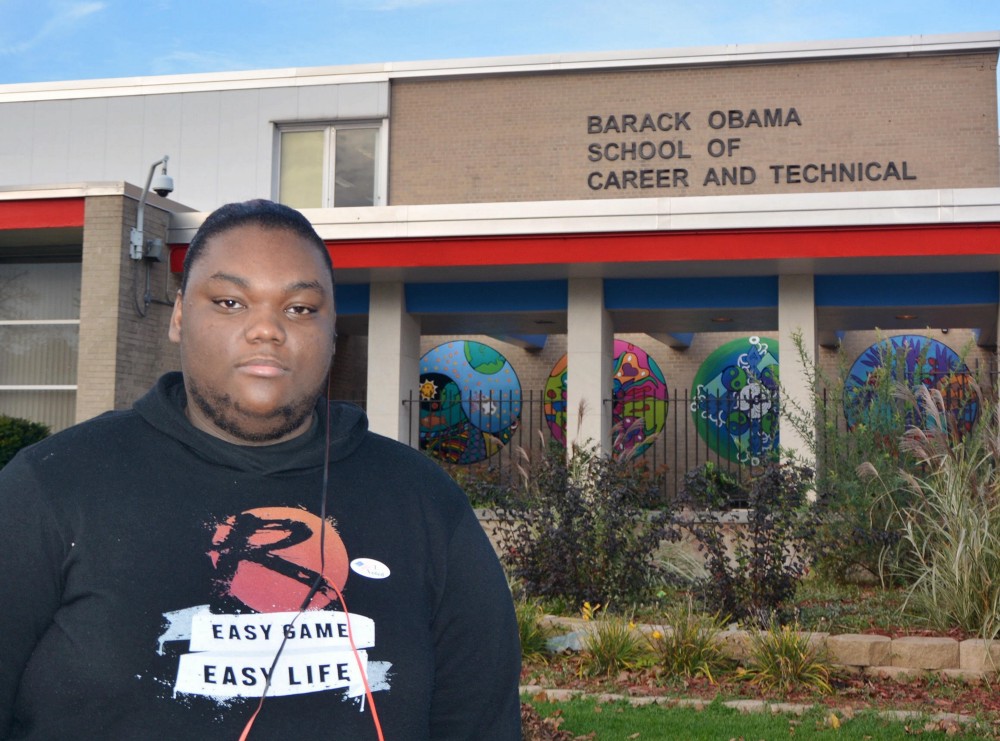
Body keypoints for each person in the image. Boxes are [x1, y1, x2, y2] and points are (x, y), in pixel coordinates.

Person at [0, 199, 522, 740]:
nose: (266, 329)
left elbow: (481, 723)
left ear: (333, 330)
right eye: (230, 302)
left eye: (299, 308)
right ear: (178, 316)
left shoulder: (424, 502)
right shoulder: (50, 487)